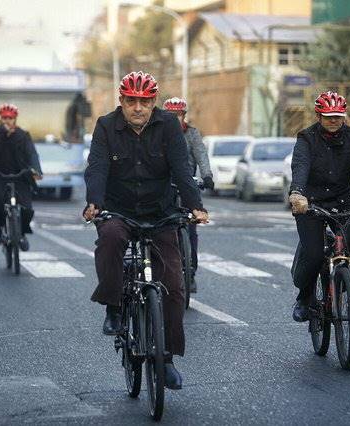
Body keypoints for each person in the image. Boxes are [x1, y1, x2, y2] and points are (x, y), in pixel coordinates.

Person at [83, 71, 208, 390]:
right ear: (121, 101)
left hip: (160, 212)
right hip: (119, 209)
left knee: (174, 286)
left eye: (145, 101)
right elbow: (97, 168)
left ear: (154, 102)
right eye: (131, 101)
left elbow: (181, 168)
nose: (138, 107)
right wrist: (94, 202)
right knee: (110, 239)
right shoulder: (106, 126)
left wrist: (195, 205)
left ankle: (165, 361)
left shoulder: (168, 125)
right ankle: (113, 306)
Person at [288, 91, 350, 322]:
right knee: (313, 255)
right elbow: (300, 167)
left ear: (344, 116)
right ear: (318, 116)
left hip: (343, 202)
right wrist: (297, 194)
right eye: (328, 116)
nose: (333, 121)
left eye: (338, 116)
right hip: (310, 203)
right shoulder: (306, 138)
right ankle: (304, 298)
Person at [162, 97, 213, 292]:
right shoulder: (159, 133)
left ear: (184, 116)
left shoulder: (192, 134)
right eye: (171, 115)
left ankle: (190, 272)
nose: (176, 119)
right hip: (164, 184)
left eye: (179, 115)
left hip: (187, 184)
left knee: (191, 229)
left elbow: (201, 155)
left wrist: (207, 176)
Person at [0, 103, 42, 251]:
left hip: (20, 175)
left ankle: (22, 233)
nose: (7, 120)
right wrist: (0, 134)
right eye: (4, 117)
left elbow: (32, 154)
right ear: (0, 119)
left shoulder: (23, 135)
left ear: (15, 119)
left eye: (10, 118)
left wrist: (36, 170)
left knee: (27, 207)